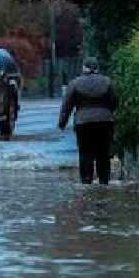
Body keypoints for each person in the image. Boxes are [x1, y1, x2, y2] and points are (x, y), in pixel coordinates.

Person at [58, 57, 118, 185]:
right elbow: (114, 101)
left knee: (85, 153)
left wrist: (62, 123)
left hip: (83, 123)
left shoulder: (75, 83)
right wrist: (108, 113)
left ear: (84, 68)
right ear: (97, 68)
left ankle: (86, 182)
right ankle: (104, 182)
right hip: (104, 122)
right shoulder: (107, 82)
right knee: (103, 153)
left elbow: (67, 105)